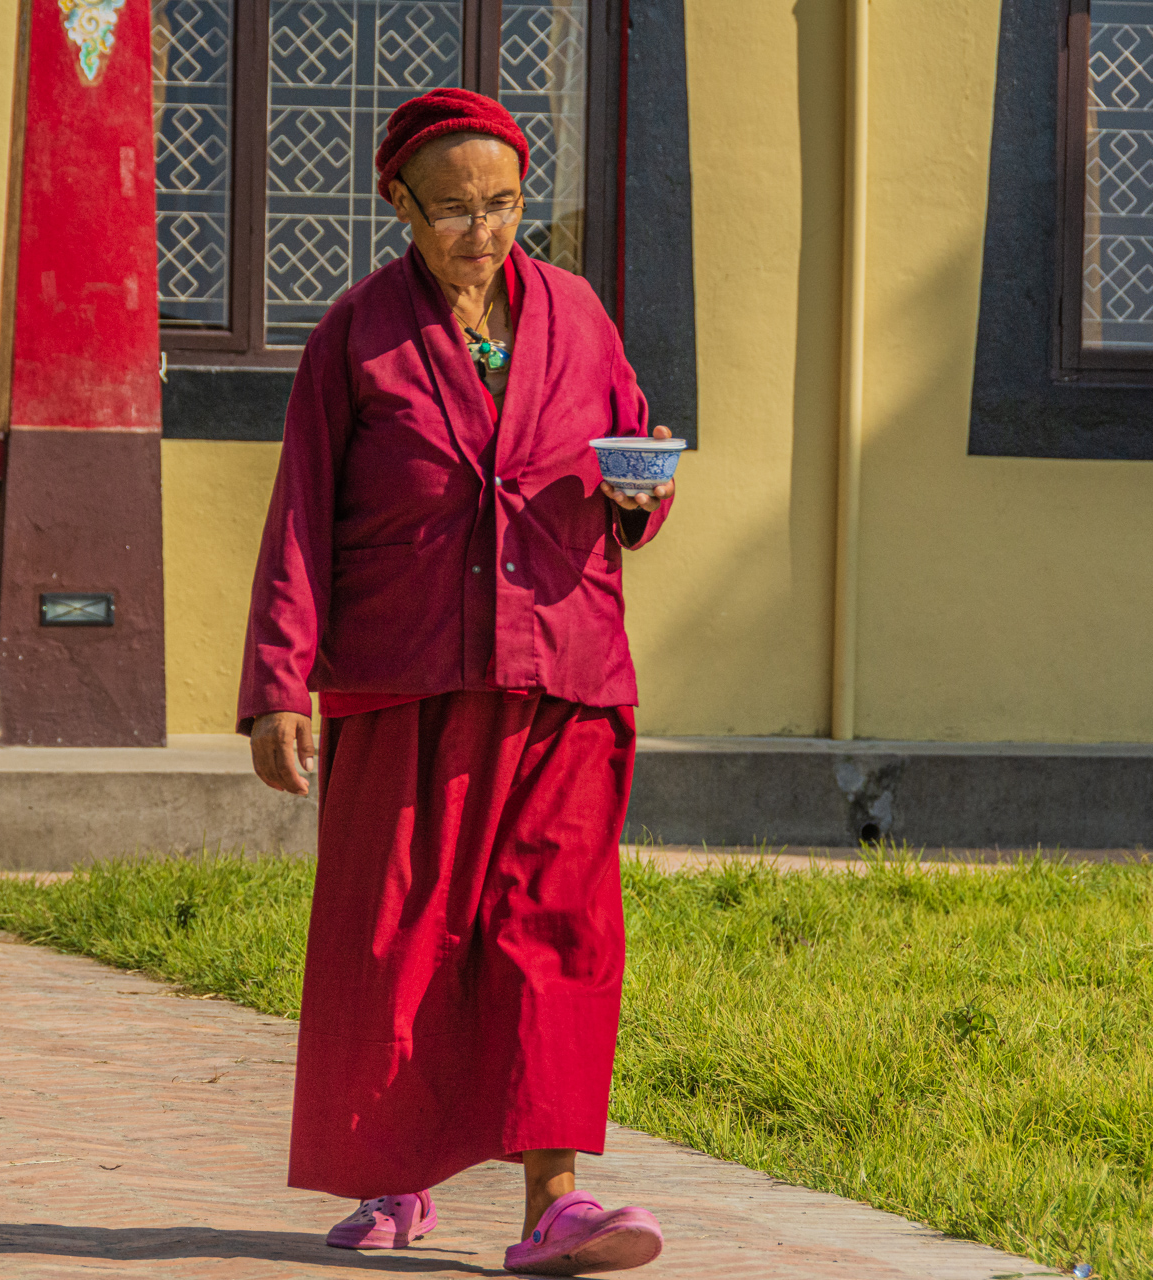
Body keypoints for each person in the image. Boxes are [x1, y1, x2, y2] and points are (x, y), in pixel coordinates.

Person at [237, 86, 677, 1277]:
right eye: (455, 210)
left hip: (562, 672)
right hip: (405, 675)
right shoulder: (358, 335)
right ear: (400, 206)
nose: (484, 231)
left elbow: (635, 451)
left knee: (556, 928)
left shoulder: (578, 317)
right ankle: (395, 1171)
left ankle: (555, 1202)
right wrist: (280, 682)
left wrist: (644, 493)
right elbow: (301, 518)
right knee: (400, 933)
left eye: (504, 204)